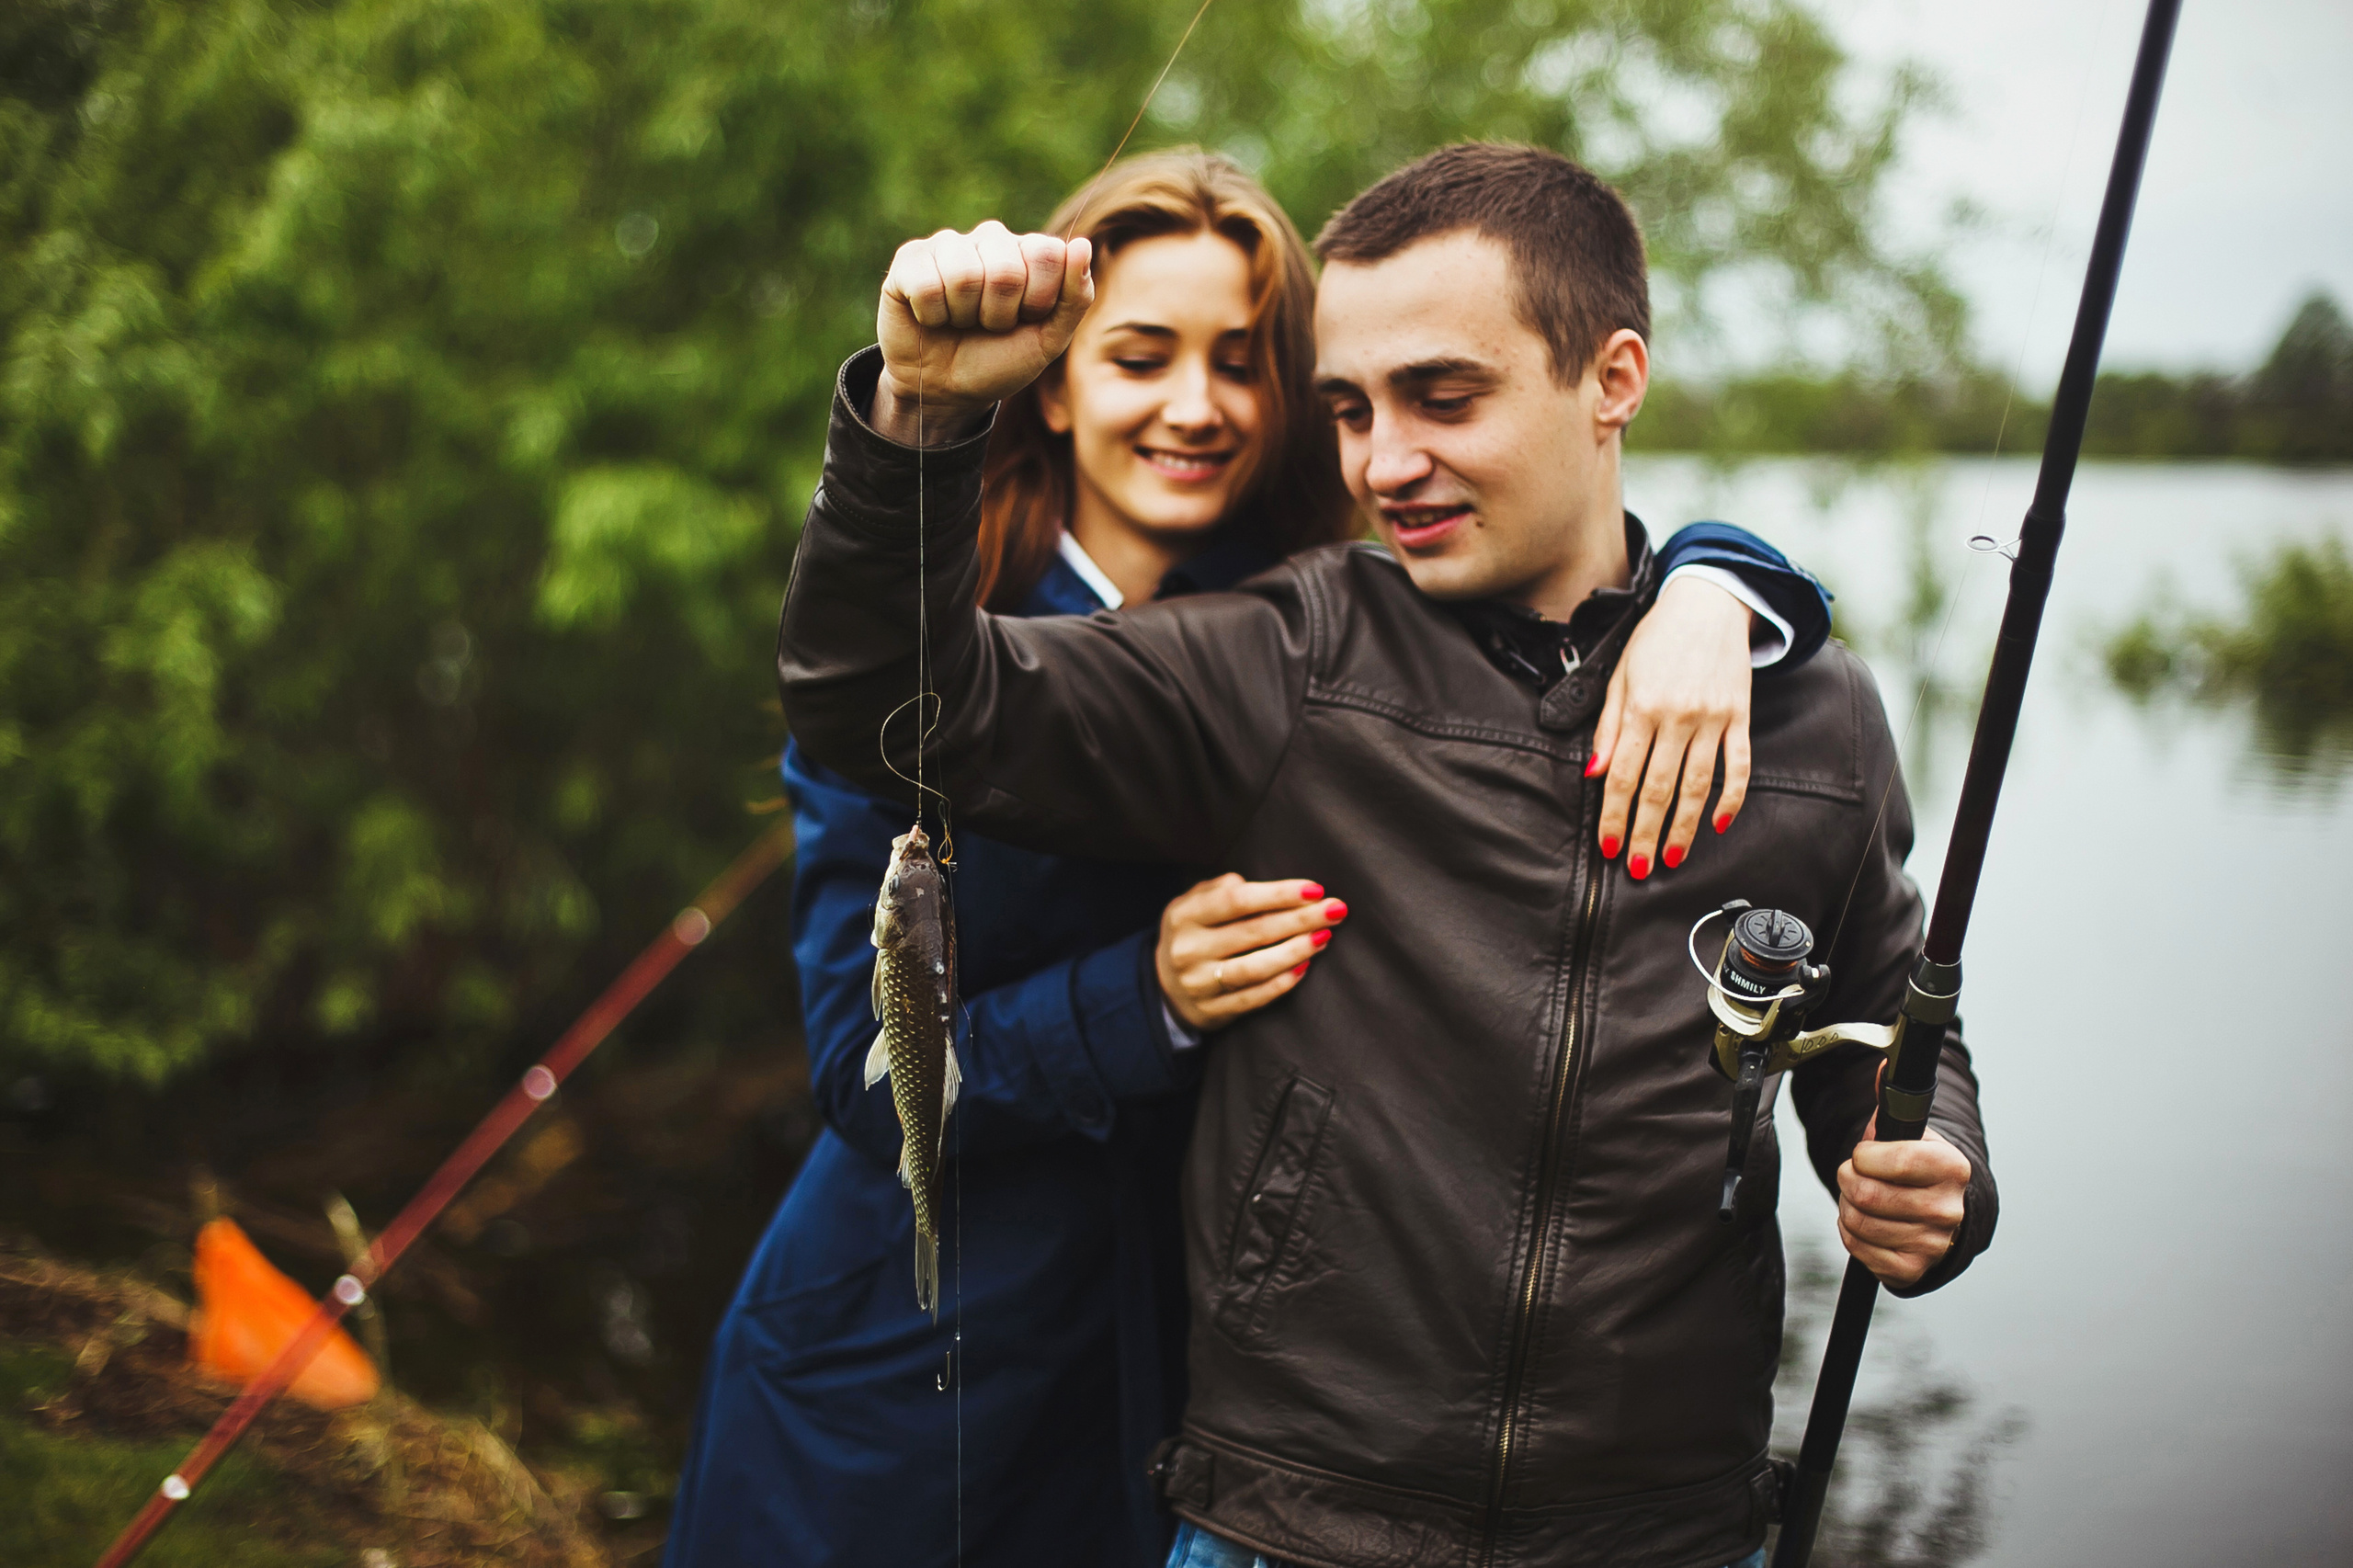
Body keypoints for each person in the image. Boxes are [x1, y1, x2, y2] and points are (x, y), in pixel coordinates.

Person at [684, 150, 1835, 1568]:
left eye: (1243, 361)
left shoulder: (1307, 628)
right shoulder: (934, 641)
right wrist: (1146, 997)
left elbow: (1572, 564)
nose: (1196, 404)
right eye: (1142, 355)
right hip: (914, 1365)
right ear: (1050, 379)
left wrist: (1725, 580)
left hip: (1185, 1382)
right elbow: (868, 1079)